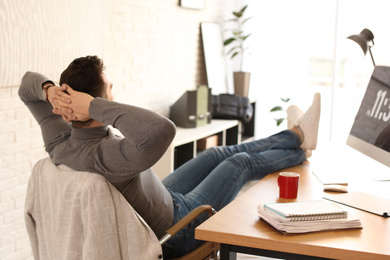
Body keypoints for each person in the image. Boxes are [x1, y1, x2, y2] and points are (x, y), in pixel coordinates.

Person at [19, 56, 321, 259]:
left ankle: (296, 136)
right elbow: (163, 129)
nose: (113, 95)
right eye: (108, 91)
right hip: (177, 227)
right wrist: (95, 106)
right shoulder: (107, 156)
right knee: (236, 164)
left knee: (216, 152)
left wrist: (48, 92)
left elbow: (26, 85)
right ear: (94, 102)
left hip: (162, 196)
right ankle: (297, 141)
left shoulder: (59, 140)